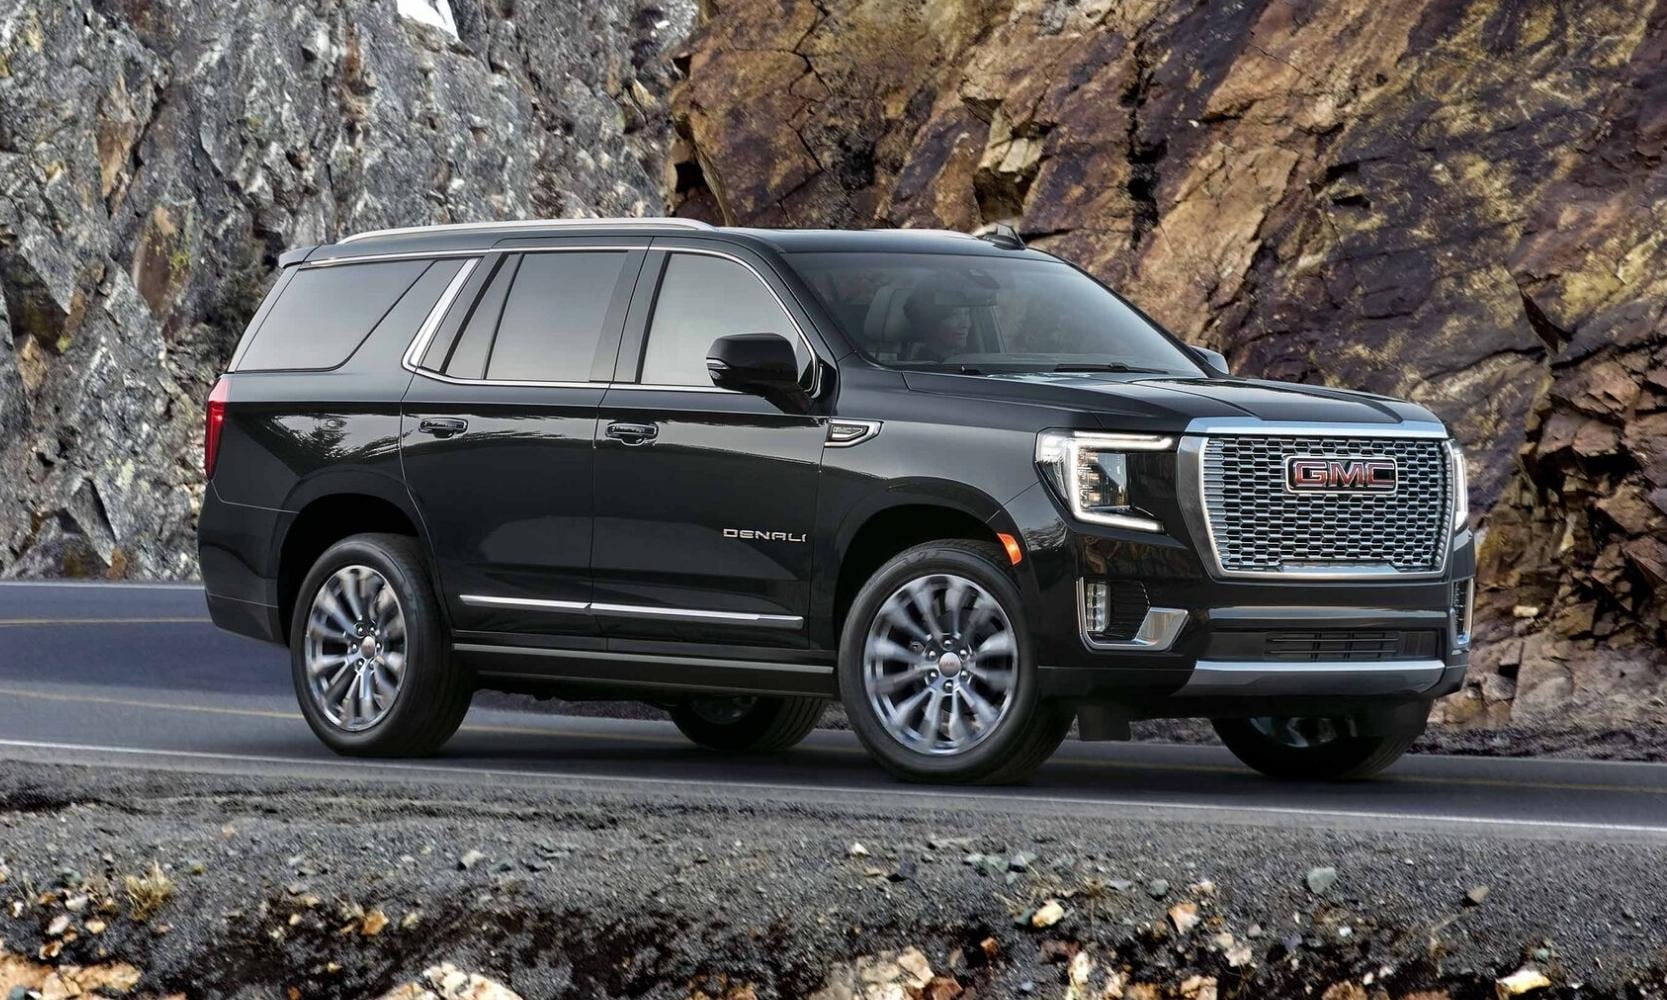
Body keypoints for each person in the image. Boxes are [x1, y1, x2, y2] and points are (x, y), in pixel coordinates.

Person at [901, 291, 973, 362]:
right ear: (930, 322)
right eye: (954, 315)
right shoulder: (923, 366)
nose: (966, 324)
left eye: (967, 313)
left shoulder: (967, 361)